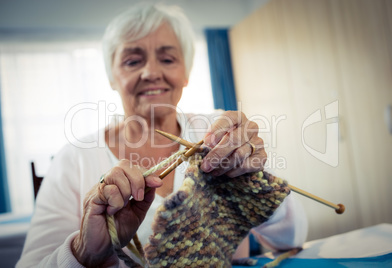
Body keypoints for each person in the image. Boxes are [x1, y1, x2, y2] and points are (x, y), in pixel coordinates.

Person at [17, 3, 308, 267]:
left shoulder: (218, 133)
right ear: (111, 76)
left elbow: (293, 239)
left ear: (185, 73)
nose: (151, 72)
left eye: (167, 59)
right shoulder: (76, 158)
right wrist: (85, 251)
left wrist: (252, 182)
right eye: (132, 61)